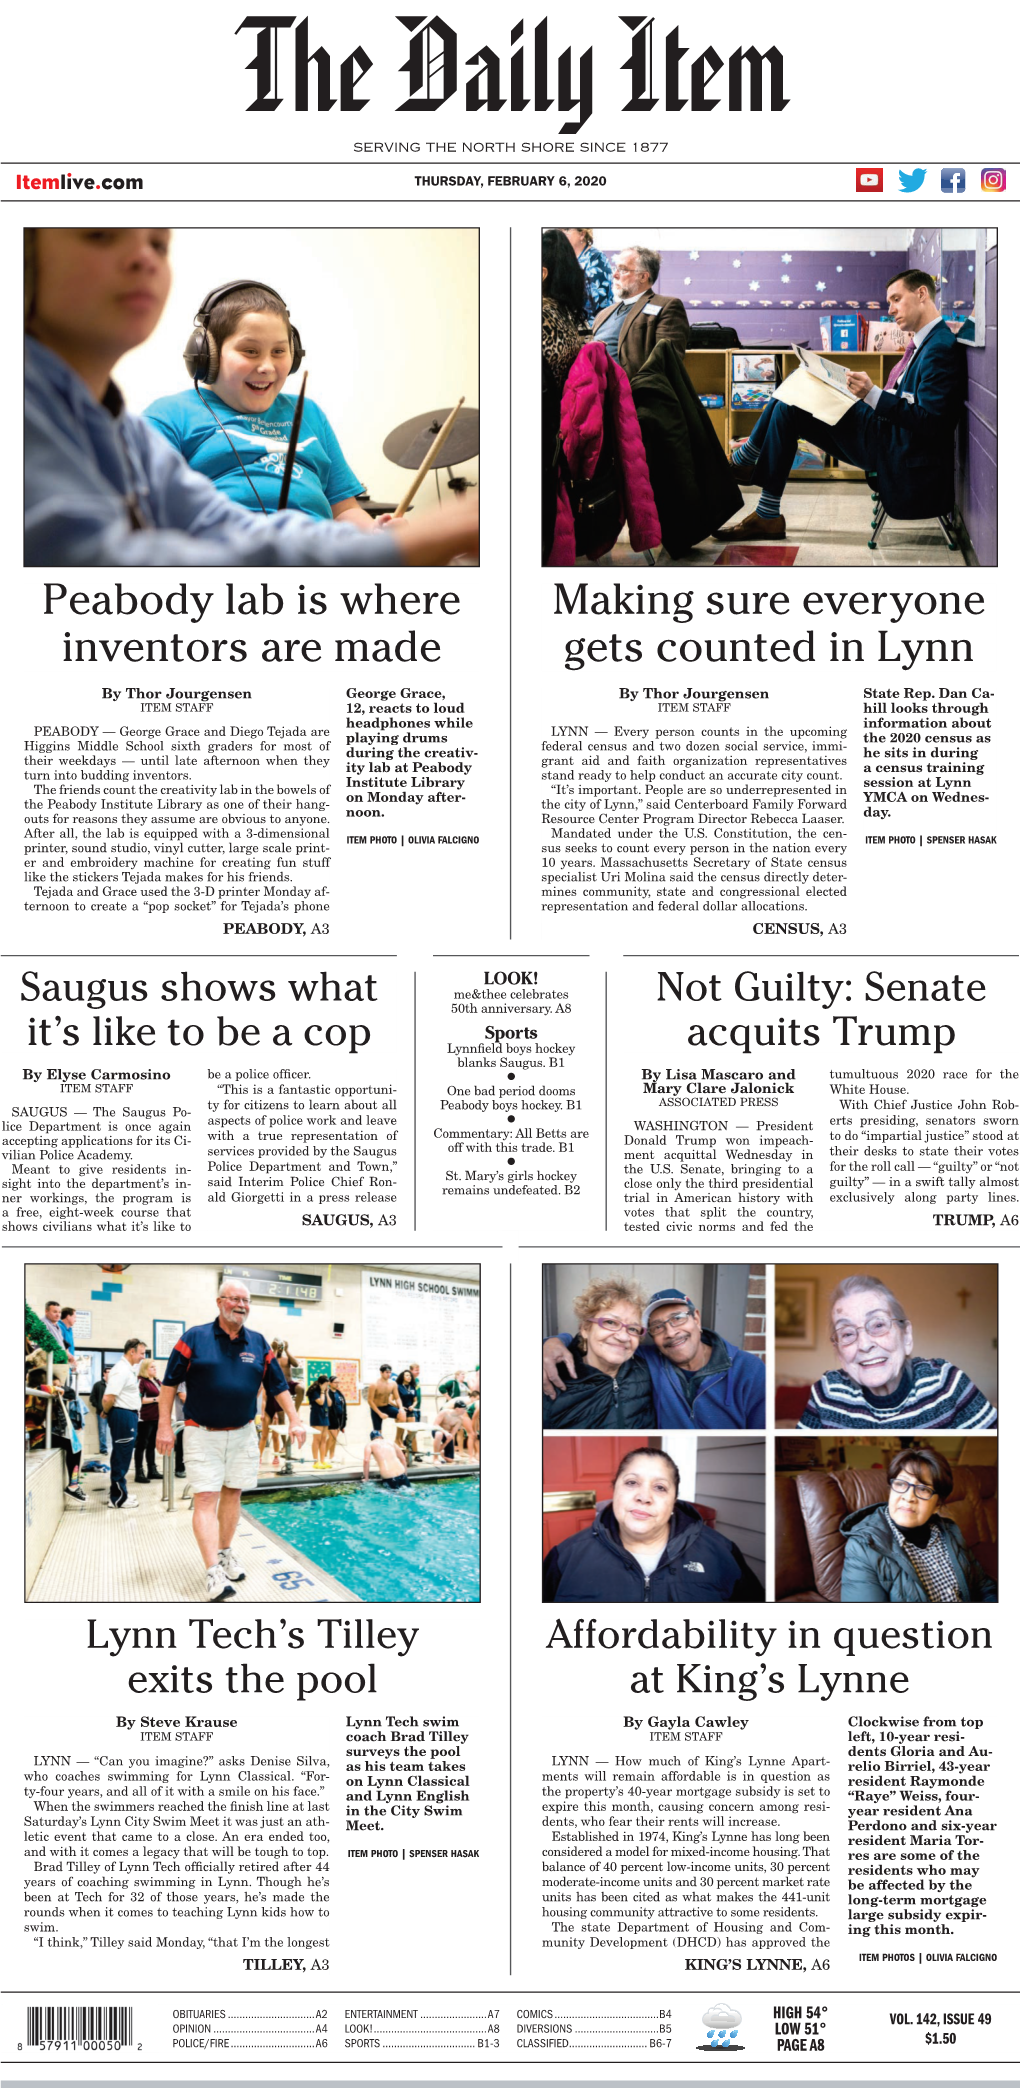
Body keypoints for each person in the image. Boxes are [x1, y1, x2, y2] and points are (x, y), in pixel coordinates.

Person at [25, 228, 478, 568]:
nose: (144, 257)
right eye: (101, 234)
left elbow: (220, 527)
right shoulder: (161, 417)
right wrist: (420, 541)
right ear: (204, 354)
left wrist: (389, 543)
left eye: (159, 245)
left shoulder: (118, 428)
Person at [716, 269, 967, 542]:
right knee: (792, 398)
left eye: (896, 299)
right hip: (883, 431)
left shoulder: (939, 347)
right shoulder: (925, 342)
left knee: (793, 392)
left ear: (921, 294)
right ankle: (765, 510)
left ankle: (745, 464)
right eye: (889, 303)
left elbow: (930, 421)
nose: (891, 309)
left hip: (892, 446)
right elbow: (906, 398)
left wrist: (871, 394)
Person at [144, 280, 376, 529]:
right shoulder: (168, 416)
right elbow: (150, 513)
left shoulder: (309, 413)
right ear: (207, 355)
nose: (266, 367)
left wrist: (379, 532)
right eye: (250, 351)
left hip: (318, 553)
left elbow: (345, 511)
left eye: (278, 352)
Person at [157, 1280, 307, 1601]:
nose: (241, 1304)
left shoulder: (259, 1343)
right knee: (206, 1498)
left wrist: (295, 1419)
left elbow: (278, 1386)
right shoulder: (193, 1338)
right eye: (234, 1299)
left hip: (242, 1433)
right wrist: (164, 1426)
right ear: (219, 1301)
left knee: (233, 1494)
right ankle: (213, 1570)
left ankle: (225, 1552)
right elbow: (169, 1384)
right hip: (202, 1433)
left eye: (246, 1300)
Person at [542, 1448, 764, 1601]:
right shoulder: (564, 1557)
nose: (644, 1496)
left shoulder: (722, 1553)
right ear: (614, 1489)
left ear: (674, 1500)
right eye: (631, 1483)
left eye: (660, 1487)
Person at [544, 1283, 764, 1430]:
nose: (670, 1332)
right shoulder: (648, 1362)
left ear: (696, 1318)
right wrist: (552, 1342)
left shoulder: (749, 1370)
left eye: (678, 1318)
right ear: (584, 1328)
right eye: (657, 1327)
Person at [797, 1275, 996, 1431]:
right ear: (839, 1352)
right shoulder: (827, 1393)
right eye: (847, 1333)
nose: (864, 1345)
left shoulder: (946, 1384)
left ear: (906, 1336)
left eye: (878, 1325)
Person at [840, 1445, 997, 1603]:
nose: (908, 1497)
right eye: (901, 1484)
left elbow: (983, 1586)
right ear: (890, 1491)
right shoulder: (862, 1547)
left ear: (937, 1505)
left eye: (923, 1489)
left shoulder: (950, 1532)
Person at [541, 1278, 655, 1430]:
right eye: (610, 1322)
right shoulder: (550, 1379)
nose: (623, 1337)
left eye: (633, 1329)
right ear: (585, 1328)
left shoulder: (646, 1371)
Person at [588, 246, 689, 380]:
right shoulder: (603, 314)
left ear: (643, 276)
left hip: (634, 394)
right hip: (595, 394)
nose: (615, 275)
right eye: (616, 268)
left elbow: (667, 362)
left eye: (623, 270)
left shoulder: (666, 306)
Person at [102, 1338, 147, 1510]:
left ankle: (120, 1492)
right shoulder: (121, 1370)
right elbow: (108, 1397)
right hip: (123, 1414)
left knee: (123, 1454)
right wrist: (106, 1411)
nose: (143, 1357)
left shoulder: (127, 1369)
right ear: (132, 1351)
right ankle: (118, 1498)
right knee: (122, 1456)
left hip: (126, 1414)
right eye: (141, 1353)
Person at [561, 227, 613, 323]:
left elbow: (599, 301)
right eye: (560, 229)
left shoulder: (596, 258)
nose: (561, 233)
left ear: (582, 234)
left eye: (567, 229)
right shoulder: (565, 258)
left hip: (594, 325)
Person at [134, 1361, 162, 1484]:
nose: (155, 1369)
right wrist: (156, 1399)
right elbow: (138, 1399)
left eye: (155, 1367)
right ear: (145, 1369)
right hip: (145, 1418)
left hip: (156, 1417)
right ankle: (139, 1472)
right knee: (142, 1445)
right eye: (152, 1367)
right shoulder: (141, 1381)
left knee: (151, 1445)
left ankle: (152, 1469)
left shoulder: (157, 1381)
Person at [366, 1365, 407, 1436]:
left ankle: (398, 1440)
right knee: (378, 1433)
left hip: (387, 1407)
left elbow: (397, 1397)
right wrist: (380, 1413)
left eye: (390, 1372)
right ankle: (378, 1444)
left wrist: (401, 1408)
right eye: (387, 1372)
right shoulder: (374, 1384)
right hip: (376, 1408)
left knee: (402, 1415)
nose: (389, 1374)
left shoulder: (393, 1384)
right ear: (381, 1373)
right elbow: (370, 1401)